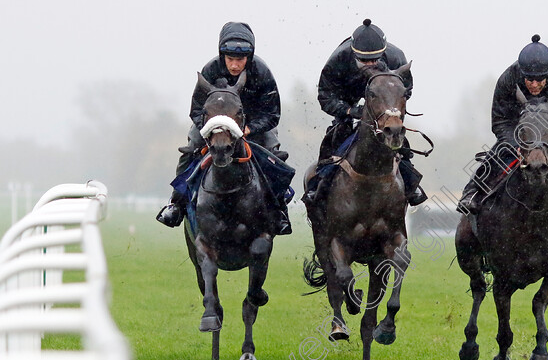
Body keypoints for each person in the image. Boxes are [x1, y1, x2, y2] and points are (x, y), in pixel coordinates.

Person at [157, 22, 293, 234]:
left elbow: (272, 114)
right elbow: (196, 110)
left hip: (252, 125)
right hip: (214, 125)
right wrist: (212, 130)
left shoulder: (262, 72)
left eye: (240, 60)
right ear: (222, 56)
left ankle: (279, 209)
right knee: (191, 145)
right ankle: (176, 203)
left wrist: (248, 129)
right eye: (230, 59)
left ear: (249, 57)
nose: (235, 65)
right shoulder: (210, 70)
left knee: (273, 151)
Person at [457, 34, 548, 221]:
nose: (534, 85)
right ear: (522, 74)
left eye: (539, 80)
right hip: (515, 131)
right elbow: (500, 121)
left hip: (546, 136)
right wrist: (518, 145)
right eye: (529, 80)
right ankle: (471, 193)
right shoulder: (508, 79)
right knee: (492, 159)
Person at [302, 18, 427, 207]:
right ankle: (319, 185)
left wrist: (389, 109)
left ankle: (411, 184)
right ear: (354, 53)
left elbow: (405, 90)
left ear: (383, 52)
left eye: (374, 59)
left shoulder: (396, 57)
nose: (370, 64)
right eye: (364, 60)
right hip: (350, 110)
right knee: (332, 141)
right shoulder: (338, 59)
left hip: (384, 112)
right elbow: (325, 96)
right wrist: (350, 110)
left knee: (401, 143)